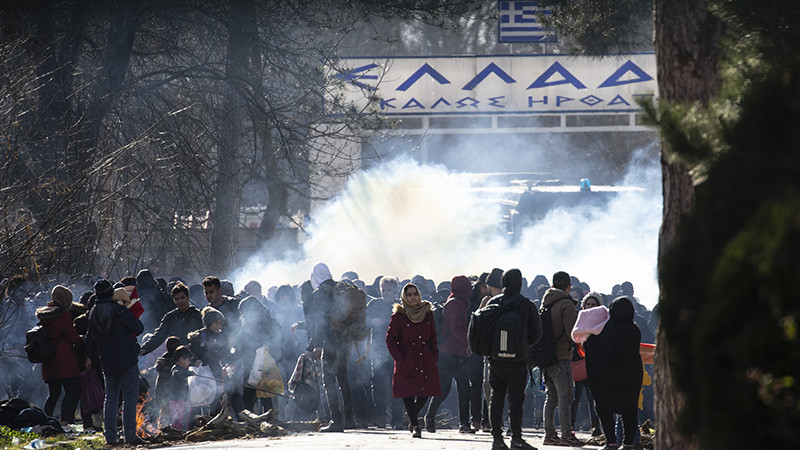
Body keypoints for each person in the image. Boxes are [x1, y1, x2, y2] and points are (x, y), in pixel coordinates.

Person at [485, 269, 542, 450]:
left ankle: (497, 439)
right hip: (518, 361)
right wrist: (522, 347)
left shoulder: (493, 302)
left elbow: (484, 332)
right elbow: (537, 333)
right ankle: (516, 439)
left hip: (496, 360)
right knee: (516, 400)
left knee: (496, 398)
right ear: (520, 284)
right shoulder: (527, 305)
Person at [85, 279, 144, 445]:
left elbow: (89, 337)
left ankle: (110, 437)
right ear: (111, 293)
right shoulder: (119, 310)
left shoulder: (93, 312)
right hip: (127, 358)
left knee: (110, 399)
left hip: (107, 361)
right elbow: (138, 328)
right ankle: (130, 435)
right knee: (129, 398)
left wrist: (88, 356)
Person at [582, 297, 643, 450]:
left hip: (608, 377)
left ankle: (611, 442)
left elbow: (592, 345)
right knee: (629, 410)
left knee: (603, 407)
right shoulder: (634, 329)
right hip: (631, 376)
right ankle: (628, 443)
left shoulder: (606, 328)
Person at [304, 263, 356, 432]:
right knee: (343, 379)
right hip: (346, 340)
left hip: (331, 342)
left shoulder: (320, 293)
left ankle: (336, 421)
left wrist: (315, 345)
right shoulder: (340, 288)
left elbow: (320, 322)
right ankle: (349, 419)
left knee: (329, 381)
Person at [386, 283, 441, 438]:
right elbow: (391, 339)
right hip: (407, 360)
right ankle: (416, 426)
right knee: (408, 393)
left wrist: (434, 354)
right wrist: (400, 358)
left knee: (426, 391)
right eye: (409, 295)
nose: (413, 298)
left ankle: (411, 417)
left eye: (415, 294)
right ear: (404, 297)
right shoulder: (398, 316)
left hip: (426, 359)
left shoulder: (427, 313)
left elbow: (433, 336)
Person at [425, 275, 473, 434]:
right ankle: (430, 417)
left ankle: (464, 423)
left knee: (463, 388)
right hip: (451, 354)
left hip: (455, 353)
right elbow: (456, 328)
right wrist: (469, 343)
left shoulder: (455, 302)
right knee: (446, 389)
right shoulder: (456, 304)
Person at [541, 271, 582, 447]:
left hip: (545, 357)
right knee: (565, 398)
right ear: (569, 286)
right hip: (561, 356)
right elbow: (572, 333)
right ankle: (567, 434)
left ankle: (549, 434)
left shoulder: (546, 302)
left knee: (551, 397)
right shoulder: (566, 304)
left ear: (552, 285)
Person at [35, 285, 82, 425]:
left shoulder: (44, 315)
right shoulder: (63, 315)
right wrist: (82, 338)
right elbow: (73, 337)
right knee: (72, 390)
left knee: (54, 393)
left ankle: (44, 420)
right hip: (64, 360)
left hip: (49, 360)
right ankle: (66, 420)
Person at [187, 306, 243, 419]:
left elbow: (224, 353)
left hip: (218, 371)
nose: (219, 326)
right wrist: (195, 361)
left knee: (231, 393)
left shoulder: (220, 336)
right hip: (205, 372)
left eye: (220, 324)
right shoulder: (199, 336)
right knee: (209, 397)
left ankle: (241, 417)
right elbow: (192, 353)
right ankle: (210, 420)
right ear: (209, 323)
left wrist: (233, 360)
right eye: (216, 324)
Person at [365, 276, 402, 429]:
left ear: (396, 290)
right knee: (378, 385)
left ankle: (397, 420)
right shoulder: (374, 304)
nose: (386, 293)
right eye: (384, 290)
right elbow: (362, 320)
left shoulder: (401, 306)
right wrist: (372, 321)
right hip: (378, 351)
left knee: (398, 385)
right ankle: (380, 417)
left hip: (398, 352)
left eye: (389, 290)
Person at [139, 283, 203, 356]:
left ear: (188, 297)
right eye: (177, 299)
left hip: (195, 355)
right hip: (177, 356)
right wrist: (145, 349)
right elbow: (159, 336)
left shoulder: (198, 315)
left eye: (182, 298)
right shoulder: (170, 317)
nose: (180, 301)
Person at [571, 294, 602, 436]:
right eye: (587, 304)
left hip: (593, 365)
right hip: (576, 364)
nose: (589, 307)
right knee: (573, 399)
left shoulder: (601, 322)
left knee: (593, 398)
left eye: (593, 304)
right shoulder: (577, 319)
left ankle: (596, 426)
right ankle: (570, 427)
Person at [467, 272, 490, 432]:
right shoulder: (470, 301)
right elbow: (470, 324)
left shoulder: (496, 300)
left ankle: (487, 420)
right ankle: (475, 419)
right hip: (475, 348)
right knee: (475, 385)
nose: (486, 289)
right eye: (483, 286)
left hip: (489, 348)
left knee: (489, 385)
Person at [153, 336, 182, 426]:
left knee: (164, 409)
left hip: (160, 389)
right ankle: (168, 427)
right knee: (170, 410)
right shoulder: (173, 361)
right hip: (168, 390)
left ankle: (161, 427)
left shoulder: (163, 359)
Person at [169, 346, 194, 430]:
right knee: (177, 419)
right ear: (181, 359)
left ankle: (182, 432)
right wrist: (189, 373)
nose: (189, 363)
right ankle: (176, 433)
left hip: (182, 399)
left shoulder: (182, 369)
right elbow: (177, 374)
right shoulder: (176, 369)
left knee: (183, 419)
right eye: (188, 360)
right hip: (177, 400)